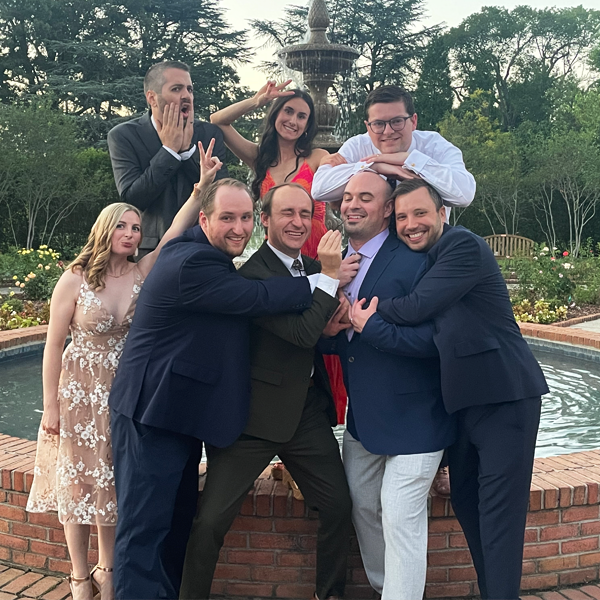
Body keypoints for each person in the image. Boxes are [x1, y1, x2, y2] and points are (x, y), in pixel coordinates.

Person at [108, 176, 345, 599]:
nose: (238, 227)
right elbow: (253, 298)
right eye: (227, 218)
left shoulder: (205, 253)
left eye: (244, 217)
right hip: (151, 412)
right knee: (144, 531)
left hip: (179, 413)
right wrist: (325, 279)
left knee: (173, 522)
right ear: (206, 218)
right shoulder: (196, 263)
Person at [26, 140, 225, 600]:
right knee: (76, 483)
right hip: (78, 390)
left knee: (115, 482)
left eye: (137, 227)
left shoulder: (142, 273)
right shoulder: (74, 277)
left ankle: (108, 568)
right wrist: (51, 406)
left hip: (124, 389)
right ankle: (79, 576)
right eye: (123, 225)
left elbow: (175, 231)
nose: (132, 234)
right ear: (105, 229)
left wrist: (201, 189)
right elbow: (53, 346)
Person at [350, 179, 549, 600]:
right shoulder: (429, 257)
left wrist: (361, 311)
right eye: (402, 217)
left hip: (504, 399)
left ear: (442, 213)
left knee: (498, 516)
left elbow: (417, 306)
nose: (410, 224)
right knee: (467, 501)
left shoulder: (463, 246)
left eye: (420, 213)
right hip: (462, 406)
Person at [179, 183, 351, 600]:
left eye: (304, 214)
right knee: (211, 521)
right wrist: (329, 282)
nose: (296, 222)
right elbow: (300, 332)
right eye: (286, 213)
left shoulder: (311, 267)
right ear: (266, 219)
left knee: (338, 508)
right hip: (253, 418)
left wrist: (336, 324)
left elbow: (318, 337)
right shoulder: (252, 274)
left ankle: (328, 595)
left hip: (305, 413)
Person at [320, 170, 456, 599]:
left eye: (366, 197)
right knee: (362, 506)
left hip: (418, 417)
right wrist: (329, 328)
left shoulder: (419, 259)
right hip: (363, 419)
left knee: (400, 514)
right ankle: (388, 588)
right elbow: (342, 342)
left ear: (386, 211)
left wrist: (368, 326)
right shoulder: (336, 260)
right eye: (347, 197)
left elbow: (440, 340)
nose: (352, 204)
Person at [211, 80, 348, 430]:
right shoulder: (261, 157)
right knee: (291, 342)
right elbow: (217, 121)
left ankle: (327, 425)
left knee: (325, 334)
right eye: (288, 111)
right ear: (275, 114)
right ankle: (287, 424)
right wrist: (256, 100)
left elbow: (347, 184)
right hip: (279, 262)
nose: (295, 121)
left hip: (317, 255)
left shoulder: (316, 157)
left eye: (303, 116)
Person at [107, 60, 228, 255]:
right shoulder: (123, 136)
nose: (186, 96)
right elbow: (134, 198)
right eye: (176, 89)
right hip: (150, 251)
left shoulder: (209, 134)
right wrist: (169, 151)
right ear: (152, 98)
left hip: (205, 246)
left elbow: (221, 196)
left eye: (189, 89)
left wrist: (187, 151)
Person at [311, 85, 475, 215]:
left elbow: (464, 195)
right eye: (378, 124)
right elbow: (319, 190)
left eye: (397, 121)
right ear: (367, 127)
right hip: (372, 247)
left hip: (428, 247)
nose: (388, 131)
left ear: (414, 121)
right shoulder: (357, 146)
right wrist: (372, 166)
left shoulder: (434, 145)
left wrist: (410, 160)